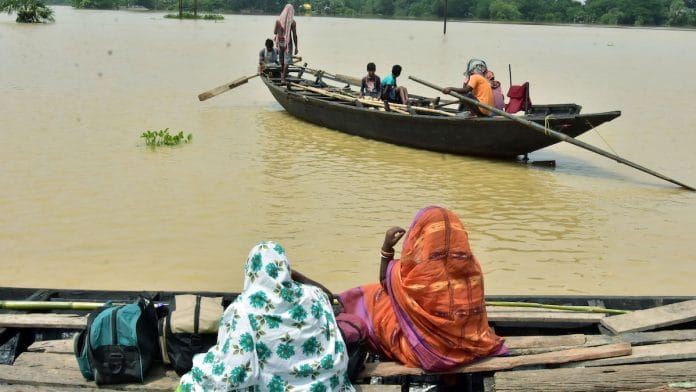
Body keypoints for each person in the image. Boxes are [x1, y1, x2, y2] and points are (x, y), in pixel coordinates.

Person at [338, 207, 507, 372]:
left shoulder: (417, 278)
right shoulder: (472, 270)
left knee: (375, 297)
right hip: (472, 343)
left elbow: (385, 281)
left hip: (427, 351)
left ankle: (346, 311)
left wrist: (387, 249)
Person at [178, 241, 354, 392]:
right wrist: (295, 276)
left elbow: (237, 373)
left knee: (194, 379)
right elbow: (330, 297)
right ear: (286, 268)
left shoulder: (243, 308)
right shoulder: (315, 296)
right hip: (326, 385)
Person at [274, 4, 298, 82]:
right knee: (287, 61)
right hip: (288, 43)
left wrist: (279, 29)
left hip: (280, 42)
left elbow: (274, 32)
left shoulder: (278, 21)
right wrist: (296, 47)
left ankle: (282, 76)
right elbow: (294, 35)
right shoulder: (293, 22)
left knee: (281, 60)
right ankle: (283, 78)